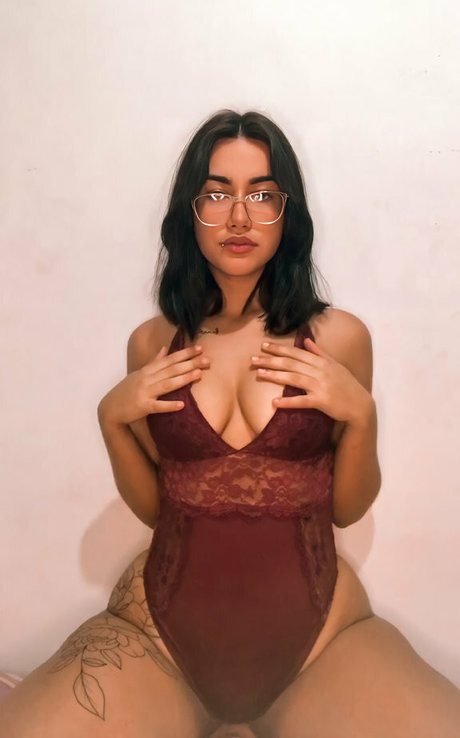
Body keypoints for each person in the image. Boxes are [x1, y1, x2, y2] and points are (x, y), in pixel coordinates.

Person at [1, 110, 459, 738]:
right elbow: (159, 509)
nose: (239, 216)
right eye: (217, 194)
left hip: (321, 643)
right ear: (190, 213)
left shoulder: (339, 337)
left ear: (287, 214)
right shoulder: (152, 344)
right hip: (158, 639)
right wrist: (111, 421)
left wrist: (362, 416)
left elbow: (347, 509)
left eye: (262, 195)